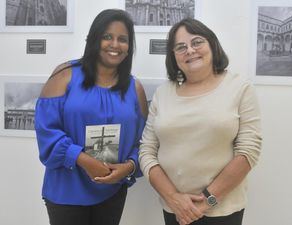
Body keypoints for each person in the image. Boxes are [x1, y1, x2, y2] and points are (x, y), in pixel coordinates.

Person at [139, 18, 262, 225]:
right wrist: (173, 198)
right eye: (180, 47)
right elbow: (146, 150)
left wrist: (206, 202)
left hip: (223, 211)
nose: (189, 50)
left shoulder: (240, 88)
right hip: (174, 209)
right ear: (173, 56)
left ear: (212, 45)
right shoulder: (163, 93)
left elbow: (249, 151)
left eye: (197, 42)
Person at [35, 9, 148, 225]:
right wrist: (83, 159)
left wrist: (130, 166)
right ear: (94, 39)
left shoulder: (135, 88)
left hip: (112, 188)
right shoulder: (65, 74)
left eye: (122, 39)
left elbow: (144, 141)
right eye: (107, 36)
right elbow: (46, 130)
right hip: (66, 189)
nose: (115, 44)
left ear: (129, 47)